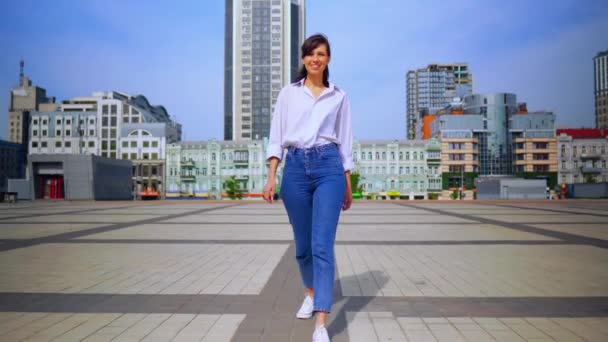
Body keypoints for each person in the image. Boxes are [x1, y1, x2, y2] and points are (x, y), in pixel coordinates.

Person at [263, 34, 354, 342]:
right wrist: (271, 176)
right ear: (303, 59)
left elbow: (345, 142)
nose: (316, 58)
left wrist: (347, 185)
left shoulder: (339, 96)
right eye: (311, 54)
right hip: (296, 168)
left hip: (329, 167)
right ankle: (311, 292)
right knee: (302, 248)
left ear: (328, 60)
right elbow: (276, 135)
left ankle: (321, 323)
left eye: (322, 54)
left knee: (322, 246)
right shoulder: (288, 94)